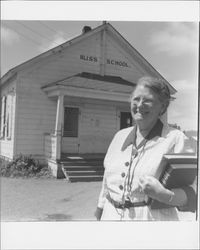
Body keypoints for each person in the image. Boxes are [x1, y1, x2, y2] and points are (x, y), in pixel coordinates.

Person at [94, 76, 196, 221]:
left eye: (147, 100)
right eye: (136, 99)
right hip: (110, 217)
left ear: (162, 107)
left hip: (152, 221)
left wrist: (164, 195)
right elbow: (107, 180)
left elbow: (193, 191)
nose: (140, 105)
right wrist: (100, 210)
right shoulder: (119, 136)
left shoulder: (175, 138)